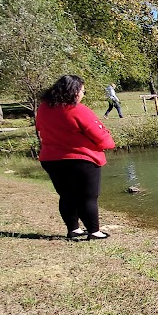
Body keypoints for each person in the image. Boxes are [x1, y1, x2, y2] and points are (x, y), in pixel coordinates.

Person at [35, 75, 117, 240]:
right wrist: (108, 141)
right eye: (82, 91)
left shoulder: (43, 108)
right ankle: (94, 232)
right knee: (88, 197)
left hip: (51, 159)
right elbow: (100, 136)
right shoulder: (77, 110)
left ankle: (73, 229)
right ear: (74, 91)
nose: (82, 94)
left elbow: (40, 128)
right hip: (81, 159)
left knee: (66, 196)